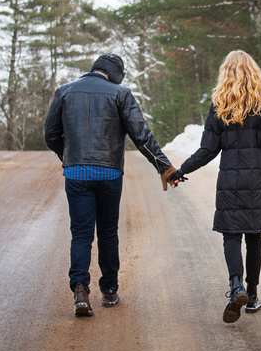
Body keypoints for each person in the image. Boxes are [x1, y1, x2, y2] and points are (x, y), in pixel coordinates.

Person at [44, 53, 179, 317]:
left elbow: (50, 134)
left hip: (76, 175)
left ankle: (80, 290)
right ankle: (109, 291)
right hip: (108, 175)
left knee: (81, 233)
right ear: (114, 75)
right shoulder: (121, 94)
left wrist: (69, 157)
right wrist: (165, 167)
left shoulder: (65, 91)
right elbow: (141, 135)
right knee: (107, 232)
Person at [168, 50, 261, 324]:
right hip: (259, 182)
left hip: (230, 183)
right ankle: (253, 295)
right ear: (254, 72)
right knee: (254, 236)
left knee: (231, 235)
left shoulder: (219, 106)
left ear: (226, 74)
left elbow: (207, 150)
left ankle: (236, 286)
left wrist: (182, 169)